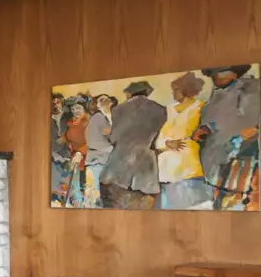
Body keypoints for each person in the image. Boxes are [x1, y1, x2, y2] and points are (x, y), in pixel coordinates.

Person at [195, 65, 260, 210]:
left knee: (234, 202)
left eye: (216, 73)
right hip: (215, 160)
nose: (214, 78)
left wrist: (216, 129)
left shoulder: (250, 88)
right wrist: (204, 128)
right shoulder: (216, 94)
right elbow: (209, 118)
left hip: (240, 156)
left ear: (232, 73)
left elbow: (248, 121)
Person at [100, 80, 166, 209]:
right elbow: (158, 140)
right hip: (145, 170)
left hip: (118, 169)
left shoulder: (118, 109)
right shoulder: (161, 110)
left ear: (129, 94)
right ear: (147, 93)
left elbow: (114, 138)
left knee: (112, 211)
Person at [155, 72, 212, 209]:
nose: (173, 93)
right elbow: (158, 141)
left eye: (176, 90)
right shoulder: (168, 110)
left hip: (188, 169)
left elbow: (205, 133)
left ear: (186, 90)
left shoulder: (200, 108)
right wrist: (167, 143)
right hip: (165, 172)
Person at [83, 94, 116, 208]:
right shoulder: (99, 118)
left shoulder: (99, 117)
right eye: (103, 100)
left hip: (98, 159)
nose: (108, 102)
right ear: (97, 105)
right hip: (98, 159)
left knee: (95, 195)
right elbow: (112, 133)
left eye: (108, 100)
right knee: (93, 196)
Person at [57, 98, 90, 206]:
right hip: (74, 157)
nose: (75, 111)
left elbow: (92, 141)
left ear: (84, 108)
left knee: (84, 186)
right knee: (73, 185)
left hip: (87, 158)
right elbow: (67, 137)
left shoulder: (88, 122)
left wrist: (80, 153)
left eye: (78, 108)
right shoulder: (71, 122)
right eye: (73, 109)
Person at [50, 93, 69, 205]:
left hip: (68, 155)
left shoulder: (68, 116)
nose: (56, 105)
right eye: (53, 103)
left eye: (58, 102)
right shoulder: (45, 119)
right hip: (52, 156)